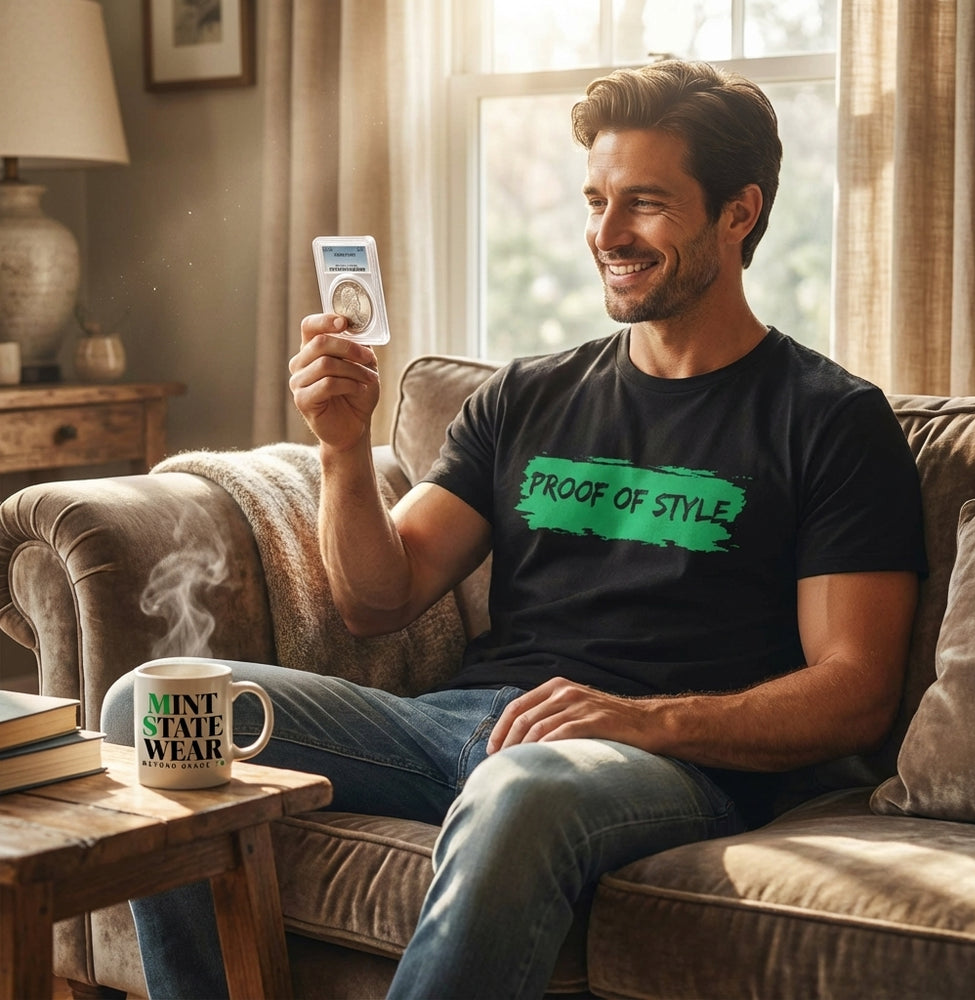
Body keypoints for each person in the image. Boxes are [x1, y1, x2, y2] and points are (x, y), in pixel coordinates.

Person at [102, 58, 925, 999]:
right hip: (460, 726)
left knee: (522, 785)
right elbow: (379, 601)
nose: (606, 234)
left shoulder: (827, 419)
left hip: (656, 762)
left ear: (738, 213)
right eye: (596, 200)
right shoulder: (530, 395)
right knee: (154, 709)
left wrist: (643, 720)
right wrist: (341, 447)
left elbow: (855, 691)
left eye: (645, 203)